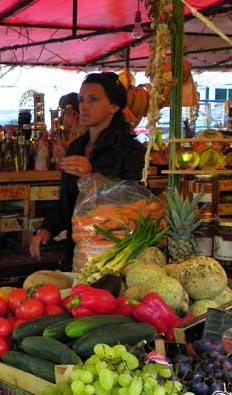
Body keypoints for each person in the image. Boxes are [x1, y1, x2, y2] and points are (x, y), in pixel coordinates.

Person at [29, 72, 145, 268]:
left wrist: (92, 177)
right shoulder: (76, 148)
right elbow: (68, 204)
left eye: (93, 99)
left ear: (114, 106)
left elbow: (133, 203)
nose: (83, 106)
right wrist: (47, 228)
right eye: (81, 100)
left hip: (115, 253)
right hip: (80, 251)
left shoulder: (131, 150)